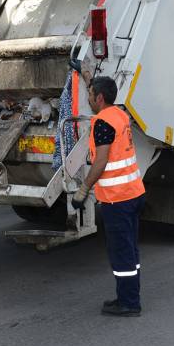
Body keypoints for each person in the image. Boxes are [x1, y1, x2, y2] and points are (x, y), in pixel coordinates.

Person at [72, 73, 146, 317]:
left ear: (100, 98)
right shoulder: (120, 115)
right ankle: (128, 295)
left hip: (118, 198)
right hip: (133, 193)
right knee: (130, 250)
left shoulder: (103, 122)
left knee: (121, 251)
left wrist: (84, 189)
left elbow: (101, 160)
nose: (89, 99)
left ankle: (129, 304)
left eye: (91, 95)